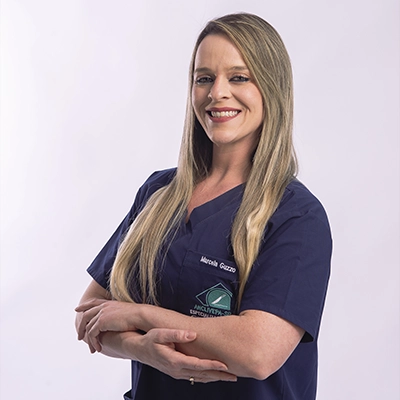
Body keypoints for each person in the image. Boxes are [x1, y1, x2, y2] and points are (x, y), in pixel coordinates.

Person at [75, 12, 332, 400]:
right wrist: (142, 349)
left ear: (272, 87)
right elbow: (90, 313)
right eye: (204, 78)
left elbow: (257, 352)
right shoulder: (159, 194)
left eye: (239, 77)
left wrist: (141, 316)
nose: (217, 93)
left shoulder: (296, 216)